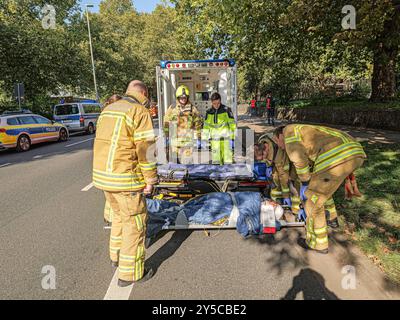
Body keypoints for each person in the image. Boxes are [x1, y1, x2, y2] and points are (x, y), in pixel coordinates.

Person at [93, 80, 158, 287]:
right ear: (143, 93)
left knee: (119, 218)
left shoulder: (109, 110)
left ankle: (116, 257)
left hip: (104, 178)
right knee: (135, 224)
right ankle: (130, 274)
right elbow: (145, 150)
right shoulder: (138, 111)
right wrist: (150, 179)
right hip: (125, 180)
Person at [273, 124, 366, 254]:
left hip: (337, 157)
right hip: (355, 151)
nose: (279, 146)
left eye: (277, 142)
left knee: (313, 201)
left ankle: (318, 243)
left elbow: (299, 160)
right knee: (323, 191)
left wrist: (305, 182)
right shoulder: (301, 129)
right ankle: (332, 219)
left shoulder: (289, 134)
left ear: (280, 136)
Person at [163, 85, 202, 164]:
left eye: (185, 98)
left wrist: (198, 137)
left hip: (187, 142)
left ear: (187, 97)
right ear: (178, 98)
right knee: (174, 164)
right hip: (175, 142)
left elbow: (198, 123)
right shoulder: (172, 108)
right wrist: (166, 136)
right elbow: (166, 122)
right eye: (181, 98)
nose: (183, 99)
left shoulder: (192, 109)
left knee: (188, 164)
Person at [101, 94, 123, 226]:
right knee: (116, 194)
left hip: (104, 161)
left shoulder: (104, 116)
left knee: (110, 194)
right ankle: (114, 218)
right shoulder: (116, 118)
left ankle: (109, 217)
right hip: (115, 160)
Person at [203, 92, 237, 165]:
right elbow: (206, 127)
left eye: (218, 103)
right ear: (211, 102)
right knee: (216, 163)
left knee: (228, 162)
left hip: (226, 141)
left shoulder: (227, 110)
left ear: (220, 101)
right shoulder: (209, 112)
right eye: (214, 103)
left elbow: (232, 125)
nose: (216, 105)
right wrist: (205, 139)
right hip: (215, 142)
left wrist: (233, 139)